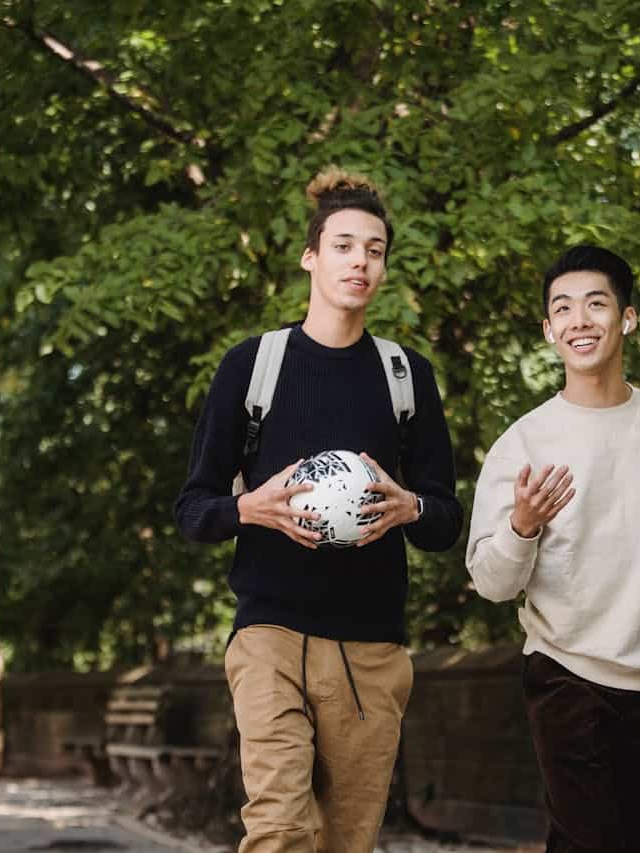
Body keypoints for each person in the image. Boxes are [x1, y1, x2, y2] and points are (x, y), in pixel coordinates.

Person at [175, 167, 463, 853]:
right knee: (278, 827)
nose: (359, 260)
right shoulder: (254, 367)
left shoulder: (405, 377)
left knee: (343, 842)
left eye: (374, 249)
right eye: (342, 245)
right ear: (311, 255)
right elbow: (193, 509)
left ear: (385, 267)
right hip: (269, 635)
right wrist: (250, 509)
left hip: (371, 648)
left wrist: (407, 507)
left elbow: (446, 519)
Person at [465, 245, 640, 852]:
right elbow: (490, 581)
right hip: (565, 673)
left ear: (627, 318)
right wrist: (521, 526)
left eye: (596, 304)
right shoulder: (525, 442)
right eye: (562, 309)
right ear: (548, 330)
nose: (579, 320)